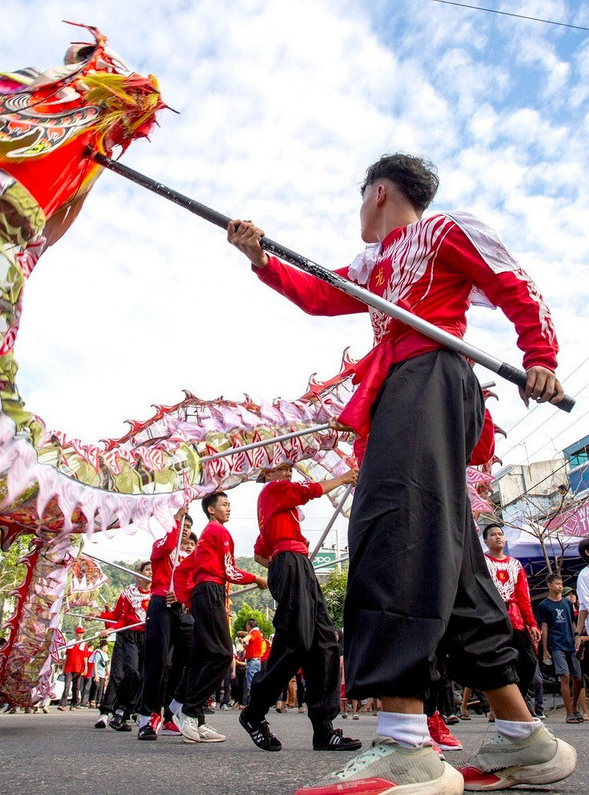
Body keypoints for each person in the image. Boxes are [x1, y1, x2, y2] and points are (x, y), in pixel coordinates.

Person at [229, 153, 574, 792]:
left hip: (431, 375)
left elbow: (512, 283)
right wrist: (260, 257)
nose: (357, 208)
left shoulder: (445, 230)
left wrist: (540, 355)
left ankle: (405, 745)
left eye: (361, 196)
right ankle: (525, 736)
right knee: (456, 562)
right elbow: (317, 291)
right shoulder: (370, 266)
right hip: (399, 386)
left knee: (394, 527)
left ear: (379, 191)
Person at [240, 463, 359, 753]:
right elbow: (310, 491)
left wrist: (280, 566)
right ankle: (254, 711)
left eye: (289, 467)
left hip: (298, 564)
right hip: (291, 563)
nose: (288, 471)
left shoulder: (277, 510)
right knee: (297, 640)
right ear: (267, 473)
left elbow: (258, 553)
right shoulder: (274, 490)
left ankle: (323, 729)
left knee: (324, 643)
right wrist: (343, 477)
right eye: (281, 467)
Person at [172, 491, 267, 744]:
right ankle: (189, 711)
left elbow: (182, 570)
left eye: (229, 504)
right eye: (224, 504)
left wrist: (187, 599)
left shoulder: (204, 539)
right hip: (211, 591)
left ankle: (197, 719)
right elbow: (229, 570)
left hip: (205, 594)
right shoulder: (218, 532)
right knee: (223, 654)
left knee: (204, 656)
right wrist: (257, 578)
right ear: (211, 510)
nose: (228, 508)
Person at [136, 506, 195, 740]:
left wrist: (184, 594)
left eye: (189, 528)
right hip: (161, 604)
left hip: (184, 610)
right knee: (156, 662)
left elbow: (197, 579)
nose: (185, 531)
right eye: (181, 526)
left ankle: (173, 711)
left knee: (195, 658)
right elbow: (170, 545)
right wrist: (177, 520)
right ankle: (146, 718)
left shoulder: (191, 556)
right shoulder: (161, 545)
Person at [482, 523, 540, 712]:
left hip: (515, 620)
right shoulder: (482, 563)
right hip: (492, 620)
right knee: (498, 664)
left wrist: (531, 623)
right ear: (485, 541)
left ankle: (516, 702)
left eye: (500, 534)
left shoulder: (515, 564)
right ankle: (500, 707)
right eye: (493, 534)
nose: (498, 537)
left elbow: (524, 596)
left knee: (528, 661)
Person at [96, 560, 152, 732]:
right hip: (130, 636)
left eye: (153, 570)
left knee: (143, 677)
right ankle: (117, 710)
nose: (150, 573)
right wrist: (109, 626)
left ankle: (124, 713)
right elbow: (120, 617)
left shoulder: (159, 593)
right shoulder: (128, 593)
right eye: (148, 570)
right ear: (140, 573)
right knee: (131, 671)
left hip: (149, 637)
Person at [536, 574, 582, 724]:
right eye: (557, 584)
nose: (560, 586)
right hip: (556, 644)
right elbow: (544, 626)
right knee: (565, 676)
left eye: (561, 584)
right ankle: (569, 713)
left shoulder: (567, 604)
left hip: (570, 642)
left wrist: (577, 637)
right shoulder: (544, 605)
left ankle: (574, 707)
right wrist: (545, 649)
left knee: (578, 677)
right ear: (549, 585)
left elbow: (573, 622)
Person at [58, 627, 89, 711]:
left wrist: (86, 667)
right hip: (69, 668)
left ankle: (74, 704)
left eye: (82, 633)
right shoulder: (71, 643)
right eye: (79, 633)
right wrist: (63, 668)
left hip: (78, 669)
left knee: (76, 687)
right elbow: (67, 656)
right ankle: (62, 704)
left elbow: (85, 657)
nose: (80, 634)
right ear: (76, 633)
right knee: (67, 686)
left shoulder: (84, 644)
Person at [237, 619, 263, 708]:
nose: (246, 627)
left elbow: (249, 636)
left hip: (253, 661)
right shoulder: (257, 632)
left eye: (247, 625)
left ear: (249, 625)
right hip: (255, 660)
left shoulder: (254, 632)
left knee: (251, 683)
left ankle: (253, 704)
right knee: (254, 683)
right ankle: (255, 703)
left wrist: (243, 640)